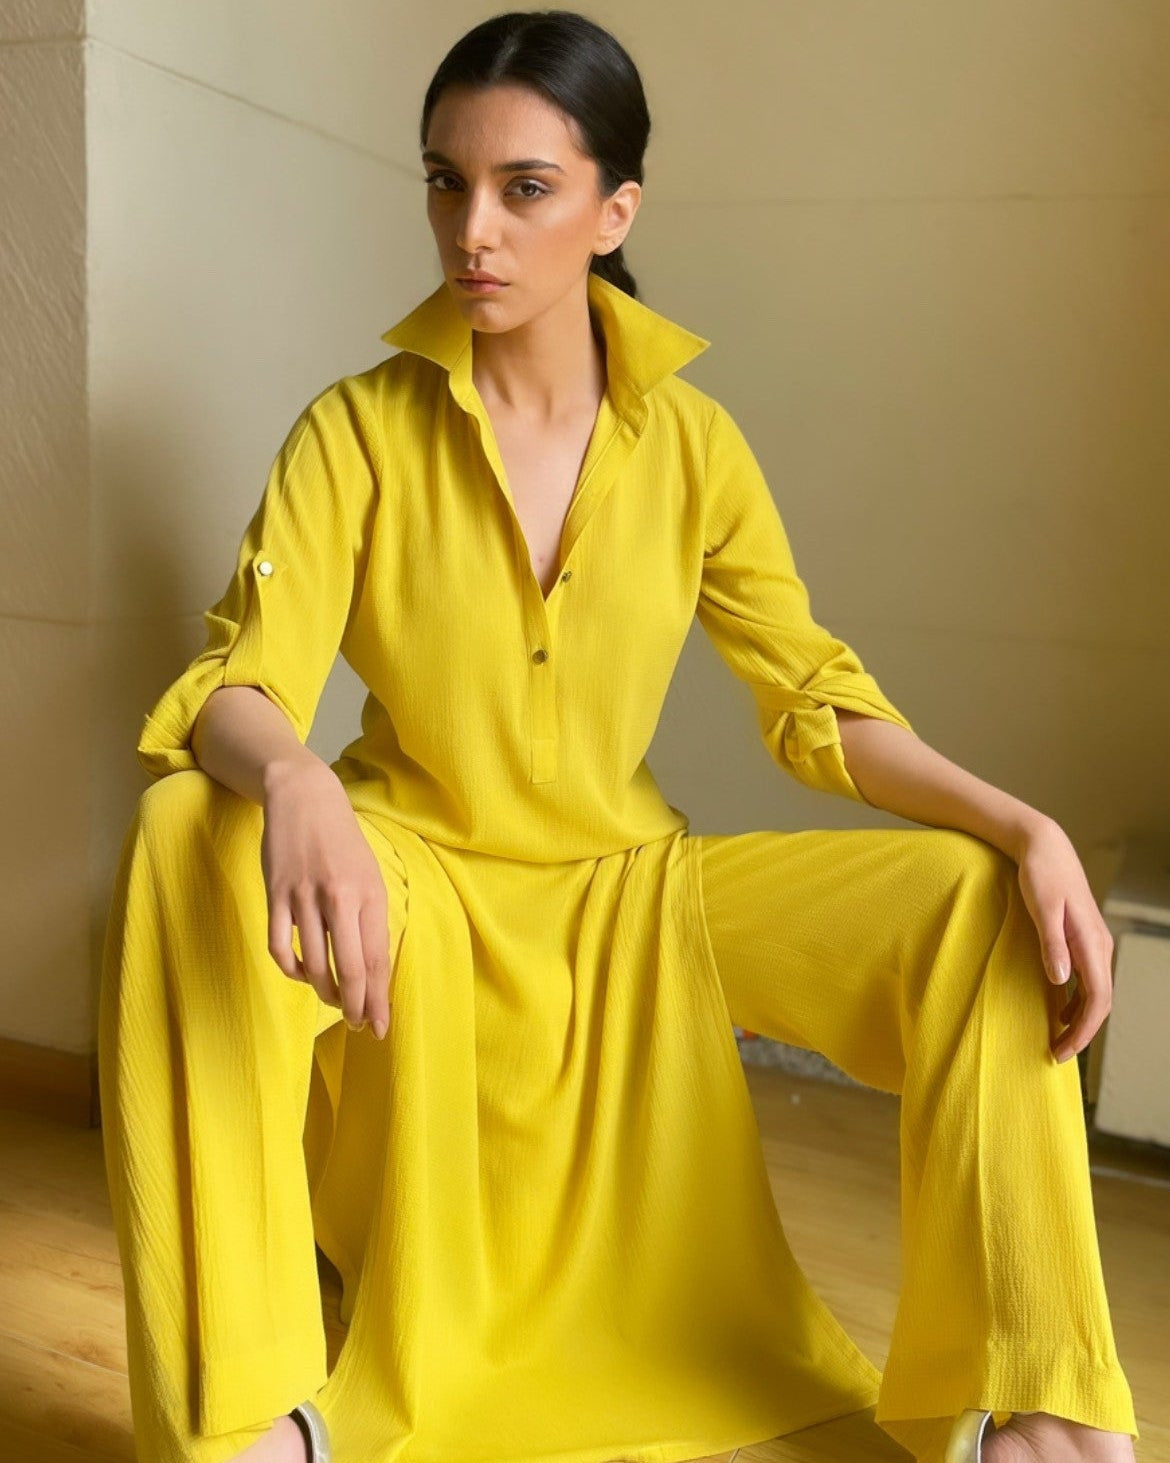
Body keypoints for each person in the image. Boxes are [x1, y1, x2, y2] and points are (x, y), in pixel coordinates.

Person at [97, 11, 1141, 1463]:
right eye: (444, 181)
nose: (474, 229)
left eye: (523, 187)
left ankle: (1044, 1414)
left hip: (633, 898)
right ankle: (246, 1421)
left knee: (973, 900)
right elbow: (237, 674)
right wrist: (289, 776)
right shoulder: (356, 432)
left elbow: (813, 699)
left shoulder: (693, 447)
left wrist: (1019, 823)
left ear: (613, 210)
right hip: (418, 883)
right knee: (178, 834)